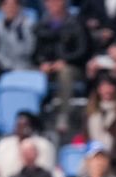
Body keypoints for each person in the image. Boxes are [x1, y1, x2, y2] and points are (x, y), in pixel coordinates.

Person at [34, 0, 89, 132]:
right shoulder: (41, 25)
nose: (52, 4)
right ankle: (33, 116)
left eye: (56, 1)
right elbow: (35, 51)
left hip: (73, 66)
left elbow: (83, 50)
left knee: (65, 72)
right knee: (29, 74)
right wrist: (42, 63)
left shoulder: (76, 23)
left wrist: (65, 60)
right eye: (49, 2)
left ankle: (63, 114)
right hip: (48, 66)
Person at [83, 73, 116, 177]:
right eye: (103, 86)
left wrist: (108, 159)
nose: (106, 90)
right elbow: (87, 137)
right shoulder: (90, 112)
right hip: (93, 159)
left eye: (109, 86)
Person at [0, 0, 36, 72]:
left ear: (19, 7)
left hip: (21, 68)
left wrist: (18, 34)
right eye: (7, 5)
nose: (10, 9)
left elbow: (28, 51)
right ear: (2, 7)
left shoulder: (28, 25)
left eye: (13, 6)